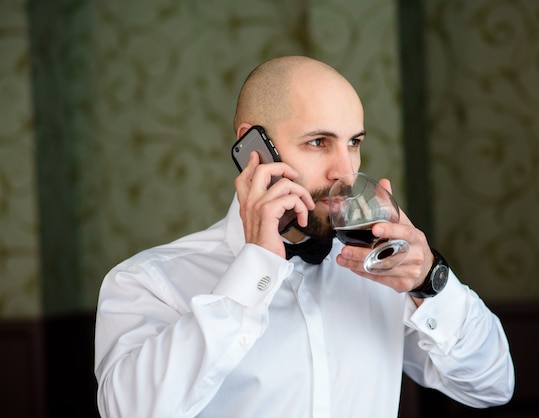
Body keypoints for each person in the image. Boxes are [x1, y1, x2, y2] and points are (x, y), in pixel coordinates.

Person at [94, 55, 514, 418]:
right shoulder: (147, 281)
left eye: (354, 142)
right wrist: (254, 271)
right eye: (318, 142)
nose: (345, 171)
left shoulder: (380, 272)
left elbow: (492, 385)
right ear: (253, 148)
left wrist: (430, 281)